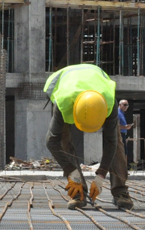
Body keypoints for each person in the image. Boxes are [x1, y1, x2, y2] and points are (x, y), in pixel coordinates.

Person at [44, 64, 133, 210]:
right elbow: (51, 141)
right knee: (62, 141)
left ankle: (121, 192)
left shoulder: (109, 103)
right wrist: (72, 172)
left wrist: (101, 176)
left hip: (96, 86)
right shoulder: (63, 103)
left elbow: (111, 142)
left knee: (116, 142)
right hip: (66, 85)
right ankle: (78, 192)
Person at [118, 99, 134, 164]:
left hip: (123, 134)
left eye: (127, 105)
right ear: (120, 105)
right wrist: (125, 127)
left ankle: (123, 167)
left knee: (124, 151)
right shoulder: (118, 113)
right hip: (119, 134)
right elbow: (116, 126)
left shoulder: (122, 113)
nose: (126, 106)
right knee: (122, 152)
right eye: (124, 105)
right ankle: (122, 168)